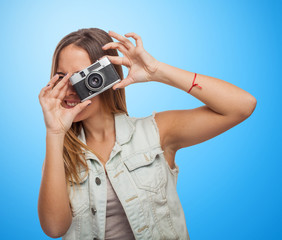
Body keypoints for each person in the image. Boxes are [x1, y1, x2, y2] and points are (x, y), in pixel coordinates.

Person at [37, 28, 257, 240]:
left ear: (106, 75)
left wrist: (156, 71)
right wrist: (54, 133)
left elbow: (242, 105)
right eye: (61, 77)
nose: (70, 89)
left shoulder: (156, 132)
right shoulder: (59, 151)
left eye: (80, 77)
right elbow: (55, 228)